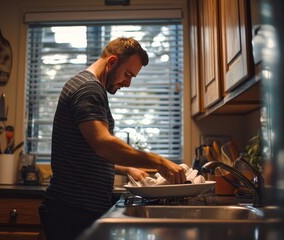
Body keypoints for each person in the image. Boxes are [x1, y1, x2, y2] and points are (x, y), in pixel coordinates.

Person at [38, 37, 186, 240]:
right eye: (127, 74)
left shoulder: (88, 86)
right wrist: (159, 162)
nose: (128, 83)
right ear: (112, 62)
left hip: (74, 210)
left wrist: (126, 169)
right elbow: (103, 145)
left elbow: (86, 152)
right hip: (72, 213)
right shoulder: (89, 89)